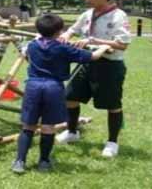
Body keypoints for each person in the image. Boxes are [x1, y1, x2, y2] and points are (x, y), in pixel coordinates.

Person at [11, 14, 111, 174]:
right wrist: (104, 47)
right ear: (59, 31)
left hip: (33, 86)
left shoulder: (32, 45)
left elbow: (26, 52)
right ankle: (43, 162)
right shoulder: (64, 48)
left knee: (28, 125)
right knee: (48, 126)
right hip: (53, 88)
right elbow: (93, 56)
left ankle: (19, 161)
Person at [56, 0, 131, 158]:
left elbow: (122, 45)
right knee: (70, 97)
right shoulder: (88, 13)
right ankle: (72, 132)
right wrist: (65, 35)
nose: (87, 0)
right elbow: (73, 29)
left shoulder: (119, 16)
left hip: (109, 65)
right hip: (86, 61)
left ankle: (112, 142)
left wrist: (95, 41)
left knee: (112, 105)